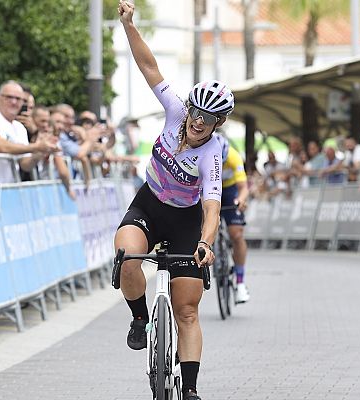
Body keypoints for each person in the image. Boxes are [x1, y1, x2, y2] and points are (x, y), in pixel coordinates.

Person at [115, 2, 233, 399]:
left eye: (209, 119)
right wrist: (130, 26)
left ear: (219, 124)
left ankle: (191, 390)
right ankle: (138, 318)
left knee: (187, 309)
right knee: (126, 258)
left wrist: (206, 243)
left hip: (186, 221)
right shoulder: (174, 109)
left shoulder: (213, 153)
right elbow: (149, 67)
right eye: (198, 112)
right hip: (149, 204)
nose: (199, 121)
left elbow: (212, 207)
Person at [214, 134, 250, 303]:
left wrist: (241, 200)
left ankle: (241, 283)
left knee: (236, 235)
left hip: (229, 192)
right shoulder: (201, 154)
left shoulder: (234, 157)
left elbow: (243, 188)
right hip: (209, 190)